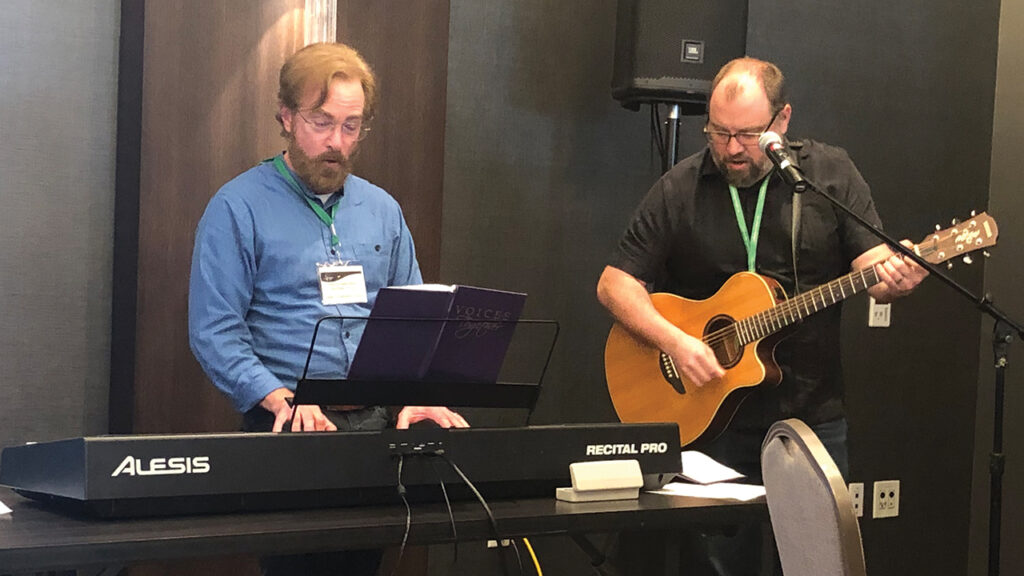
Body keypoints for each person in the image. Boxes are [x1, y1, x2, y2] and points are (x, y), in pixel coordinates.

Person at [596, 57, 927, 575]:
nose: (731, 148)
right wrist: (678, 343)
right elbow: (614, 284)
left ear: (782, 120)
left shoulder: (828, 175)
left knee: (821, 562)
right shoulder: (680, 188)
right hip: (714, 426)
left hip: (811, 417)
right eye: (718, 132)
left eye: (747, 135)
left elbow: (873, 269)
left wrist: (894, 279)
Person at [189, 42, 467, 576]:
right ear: (286, 117)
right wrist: (279, 398)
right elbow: (215, 330)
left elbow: (412, 321)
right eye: (321, 123)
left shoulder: (382, 209)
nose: (336, 142)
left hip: (377, 429)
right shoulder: (238, 207)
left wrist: (418, 394)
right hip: (290, 426)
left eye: (351, 126)